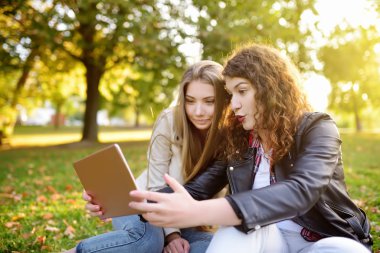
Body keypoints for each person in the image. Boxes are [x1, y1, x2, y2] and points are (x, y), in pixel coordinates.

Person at [129, 43, 373, 253]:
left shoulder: (317, 128)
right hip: (269, 243)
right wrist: (127, 202)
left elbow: (301, 191)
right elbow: (196, 190)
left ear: (269, 88)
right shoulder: (240, 142)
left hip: (324, 241)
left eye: (242, 91)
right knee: (236, 231)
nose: (233, 105)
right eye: (230, 94)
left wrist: (199, 212)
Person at [64, 60, 229, 253]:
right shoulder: (169, 121)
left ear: (225, 100)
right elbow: (156, 183)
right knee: (147, 242)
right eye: (190, 101)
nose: (198, 111)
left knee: (212, 248)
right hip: (143, 207)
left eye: (209, 101)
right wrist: (172, 235)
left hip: (187, 220)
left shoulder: (234, 136)